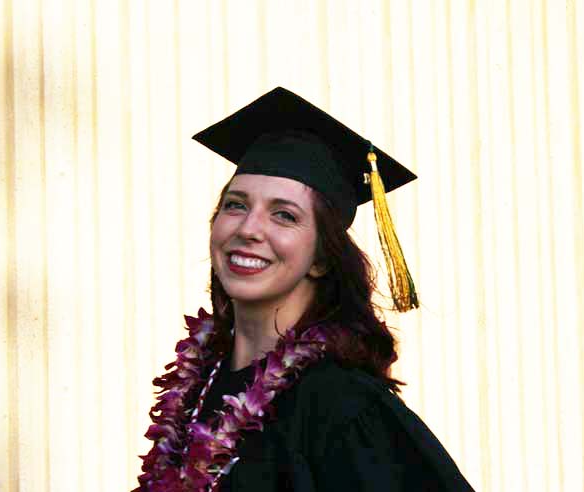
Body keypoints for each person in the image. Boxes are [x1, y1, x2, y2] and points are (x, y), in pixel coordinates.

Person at [134, 87, 474, 491]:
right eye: (236, 204)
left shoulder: (343, 407)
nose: (248, 229)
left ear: (322, 259)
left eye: (284, 215)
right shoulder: (201, 389)